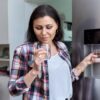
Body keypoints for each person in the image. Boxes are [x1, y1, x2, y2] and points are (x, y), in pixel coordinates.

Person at [8, 4, 98, 100]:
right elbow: (13, 90)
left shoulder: (61, 46)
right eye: (38, 28)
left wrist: (86, 62)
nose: (43, 33)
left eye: (49, 27)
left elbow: (65, 79)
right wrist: (34, 71)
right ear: (32, 28)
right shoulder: (23, 51)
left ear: (57, 26)